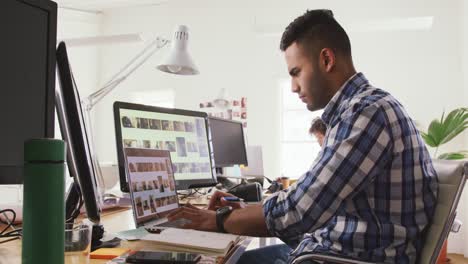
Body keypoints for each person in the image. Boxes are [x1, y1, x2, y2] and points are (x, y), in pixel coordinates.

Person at [168, 9, 438, 264]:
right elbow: (310, 195)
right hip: (330, 248)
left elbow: (301, 211)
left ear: (327, 60)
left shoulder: (367, 112)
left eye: (296, 72)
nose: (294, 87)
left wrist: (219, 220)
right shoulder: (356, 112)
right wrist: (240, 212)